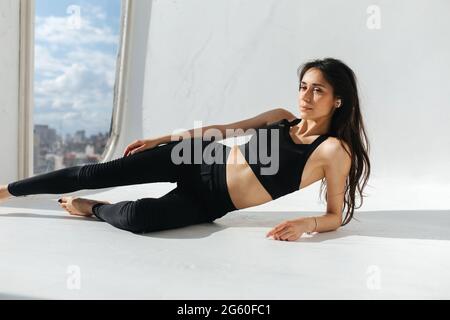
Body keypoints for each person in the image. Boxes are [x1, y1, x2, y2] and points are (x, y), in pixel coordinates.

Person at [0, 57, 371, 241]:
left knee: (138, 219)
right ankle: (5, 191)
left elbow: (336, 214)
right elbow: (223, 129)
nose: (306, 96)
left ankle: (93, 208)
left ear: (338, 100)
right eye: (303, 86)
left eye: (318, 90)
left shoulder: (333, 151)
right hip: (199, 157)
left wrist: (307, 225)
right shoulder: (281, 116)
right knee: (95, 173)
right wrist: (164, 139)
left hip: (211, 203)